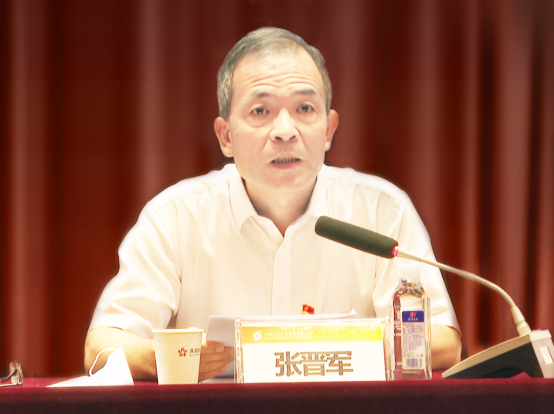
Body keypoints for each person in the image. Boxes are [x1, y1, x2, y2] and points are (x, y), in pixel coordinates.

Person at [85, 27, 462, 381]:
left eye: (305, 109)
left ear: (328, 129)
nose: (284, 131)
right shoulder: (174, 218)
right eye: (260, 111)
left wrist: (323, 346)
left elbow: (444, 342)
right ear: (226, 136)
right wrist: (174, 357)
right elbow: (101, 347)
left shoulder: (383, 212)